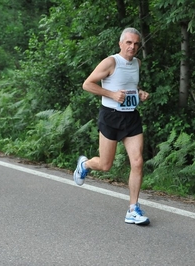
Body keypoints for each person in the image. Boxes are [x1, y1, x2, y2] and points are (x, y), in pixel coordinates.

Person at [73, 27, 151, 225]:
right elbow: (87, 84)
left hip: (131, 117)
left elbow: (130, 86)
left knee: (137, 161)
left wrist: (140, 94)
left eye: (136, 44)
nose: (132, 47)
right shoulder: (111, 62)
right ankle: (85, 165)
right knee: (105, 165)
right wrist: (112, 95)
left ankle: (133, 209)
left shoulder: (137, 63)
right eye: (128, 43)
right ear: (120, 44)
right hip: (110, 117)